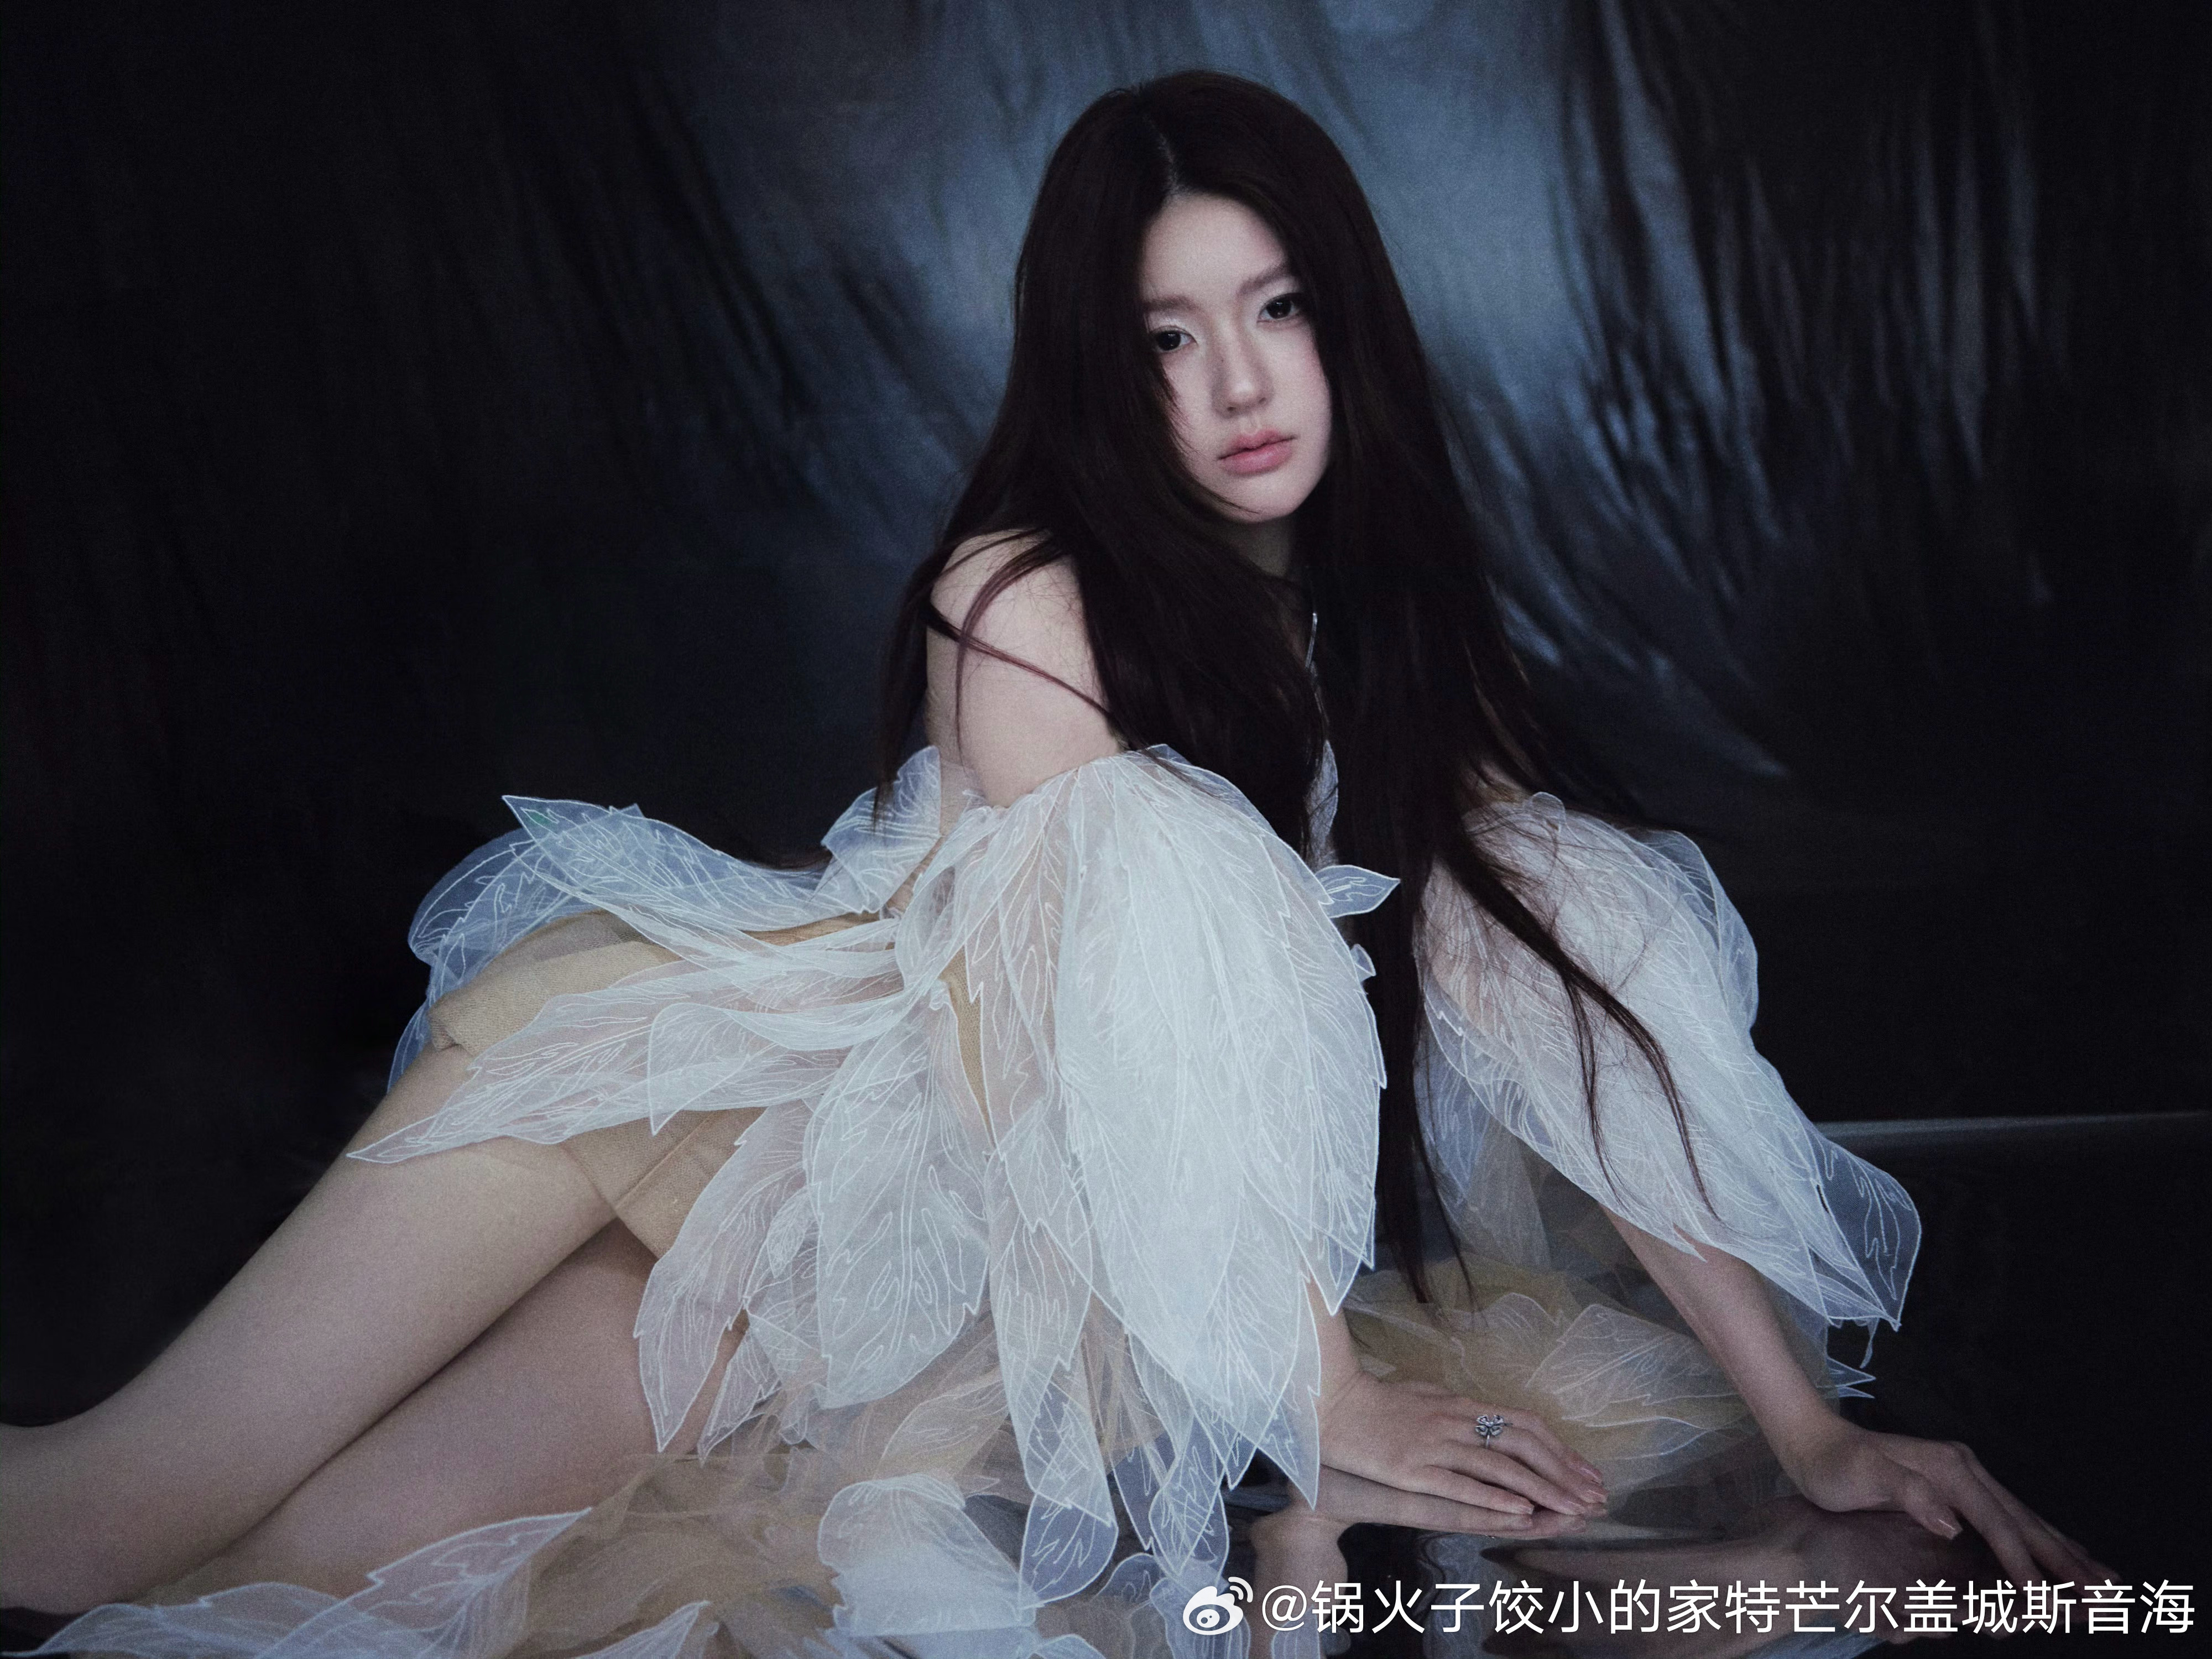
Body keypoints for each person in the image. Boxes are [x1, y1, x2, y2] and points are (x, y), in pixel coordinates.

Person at [0, 70, 2103, 1656]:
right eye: (1169, 337)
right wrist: (1318, 1389)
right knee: (98, 1523)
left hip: (894, 1279)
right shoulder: (1026, 597)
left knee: (324, 1576)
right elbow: (1124, 1017)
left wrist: (1808, 1430)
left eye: (1276, 307)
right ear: (1102, 367)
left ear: (1347, 320)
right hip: (722, 1111)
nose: (1240, 383)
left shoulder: (1382, 628)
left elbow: (1556, 978)